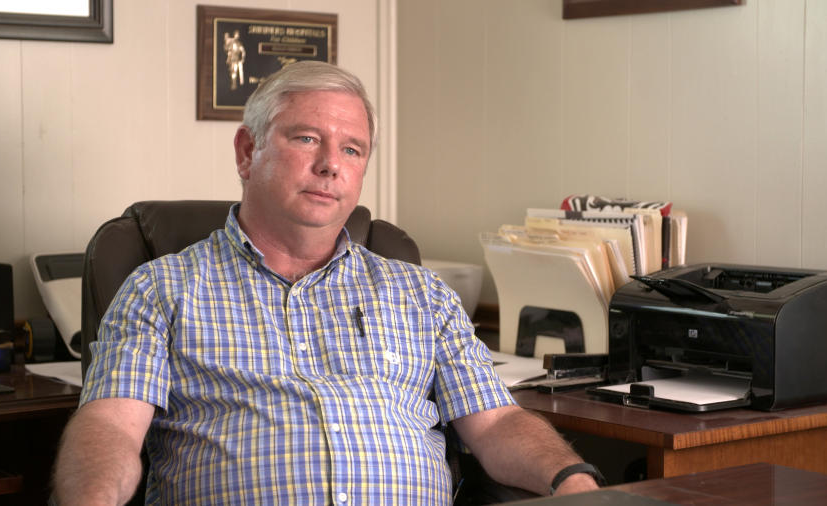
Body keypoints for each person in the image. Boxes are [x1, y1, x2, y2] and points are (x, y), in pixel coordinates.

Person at [52, 61, 600, 505]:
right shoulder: (161, 288)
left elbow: (498, 421)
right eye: (307, 139)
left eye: (352, 149)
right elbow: (111, 426)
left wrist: (574, 483)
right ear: (248, 152)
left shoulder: (421, 294)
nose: (330, 165)